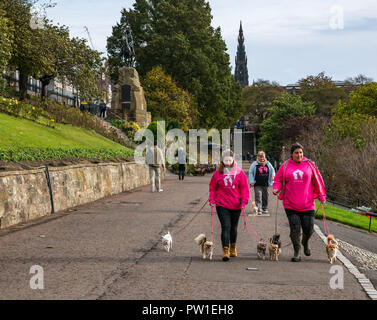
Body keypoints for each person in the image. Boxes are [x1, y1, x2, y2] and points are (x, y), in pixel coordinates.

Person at [272, 142, 326, 262]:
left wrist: (321, 196)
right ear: (291, 154)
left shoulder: (310, 164)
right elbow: (278, 180)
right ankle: (297, 251)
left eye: (301, 152)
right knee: (295, 229)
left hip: (308, 203)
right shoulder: (285, 165)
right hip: (290, 203)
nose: (299, 155)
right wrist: (276, 188)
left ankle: (305, 242)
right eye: (296, 153)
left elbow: (318, 180)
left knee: (309, 229)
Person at [209, 150, 250, 261]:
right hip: (222, 204)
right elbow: (212, 187)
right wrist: (212, 199)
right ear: (222, 160)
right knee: (225, 226)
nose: (227, 162)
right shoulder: (218, 173)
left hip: (236, 205)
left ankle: (233, 247)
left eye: (229, 160)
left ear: (233, 159)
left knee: (233, 228)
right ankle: (225, 250)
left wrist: (244, 201)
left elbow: (245, 188)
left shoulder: (240, 172)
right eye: (225, 160)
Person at [248, 151, 275, 216]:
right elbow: (251, 172)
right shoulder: (254, 164)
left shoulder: (268, 163)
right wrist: (251, 181)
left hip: (265, 183)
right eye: (260, 157)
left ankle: (264, 208)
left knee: (265, 196)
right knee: (258, 196)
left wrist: (273, 176)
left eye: (262, 157)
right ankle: (258, 209)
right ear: (258, 157)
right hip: (257, 183)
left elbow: (273, 170)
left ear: (264, 157)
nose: (261, 158)